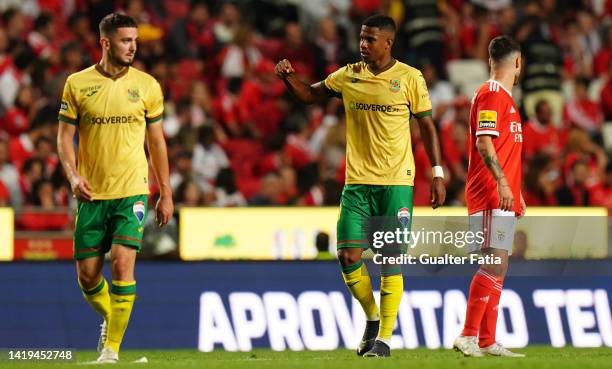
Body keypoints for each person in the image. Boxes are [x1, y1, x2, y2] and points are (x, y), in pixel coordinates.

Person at [275, 15, 446, 357]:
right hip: (356, 184)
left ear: (388, 43)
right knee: (348, 255)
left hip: (396, 183)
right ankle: (371, 317)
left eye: (370, 39)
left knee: (389, 260)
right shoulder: (348, 74)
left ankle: (383, 339)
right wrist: (289, 78)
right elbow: (311, 96)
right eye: (361, 38)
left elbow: (426, 127)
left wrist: (437, 172)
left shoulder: (410, 78)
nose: (363, 44)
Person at [56, 13, 173, 364]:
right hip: (92, 193)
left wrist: (164, 191)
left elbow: (157, 142)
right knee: (87, 277)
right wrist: (74, 177)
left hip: (131, 190)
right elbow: (63, 138)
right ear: (105, 42)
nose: (133, 46)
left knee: (123, 264)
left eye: (135, 40)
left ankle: (111, 351)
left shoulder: (148, 86)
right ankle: (112, 318)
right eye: (125, 40)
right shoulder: (77, 84)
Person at [453, 35, 525, 358]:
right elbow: (485, 142)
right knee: (492, 262)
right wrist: (503, 184)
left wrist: (516, 190)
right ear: (518, 63)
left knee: (500, 264)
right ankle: (468, 335)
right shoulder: (492, 94)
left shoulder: (505, 99)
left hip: (504, 195)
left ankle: (487, 340)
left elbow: (506, 150)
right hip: (489, 192)